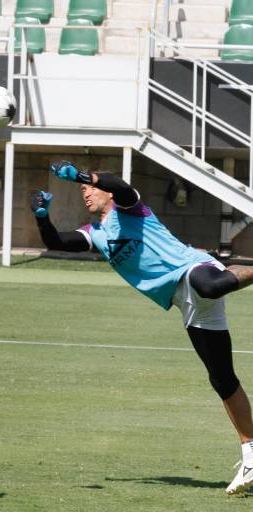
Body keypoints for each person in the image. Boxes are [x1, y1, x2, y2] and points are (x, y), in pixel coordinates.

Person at [31, 160, 253, 495]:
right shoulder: (97, 234)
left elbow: (119, 185)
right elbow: (58, 242)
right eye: (82, 189)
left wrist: (82, 173)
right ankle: (251, 453)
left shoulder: (131, 209)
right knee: (222, 379)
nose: (85, 193)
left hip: (196, 269)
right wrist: (41, 216)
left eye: (89, 188)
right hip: (184, 302)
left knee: (209, 285)